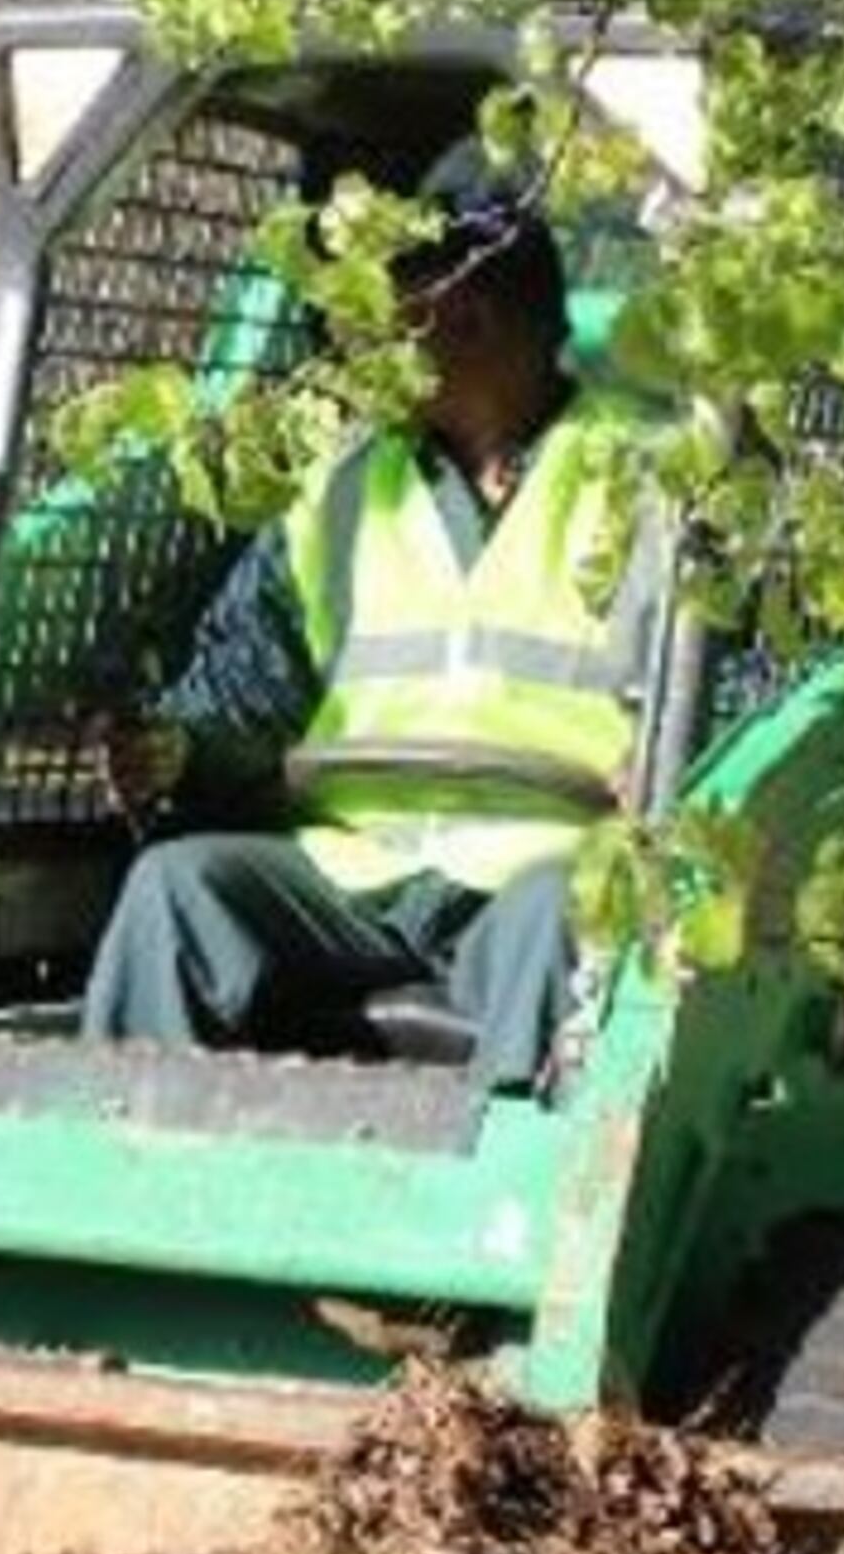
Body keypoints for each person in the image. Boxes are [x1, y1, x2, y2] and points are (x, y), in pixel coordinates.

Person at [78, 174, 670, 1088]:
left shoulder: (658, 489)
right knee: (177, 889)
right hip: (351, 875)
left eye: (376, 317)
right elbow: (248, 695)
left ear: (465, 315)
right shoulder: (339, 492)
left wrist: (682, 779)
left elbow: (742, 703)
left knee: (574, 907)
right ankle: (122, 1185)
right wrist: (180, 750)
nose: (348, 347)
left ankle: (507, 1207)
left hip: (541, 873)